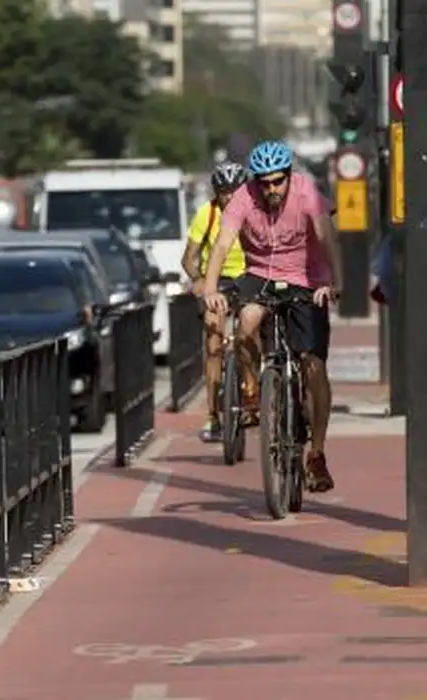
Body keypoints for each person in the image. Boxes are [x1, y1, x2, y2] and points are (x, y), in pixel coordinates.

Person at [202, 140, 342, 493]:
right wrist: (210, 290)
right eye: (264, 182)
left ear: (288, 176)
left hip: (307, 278)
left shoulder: (306, 191)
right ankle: (253, 392)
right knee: (247, 320)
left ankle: (317, 454)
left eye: (277, 181)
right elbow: (222, 244)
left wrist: (334, 283)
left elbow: (326, 235)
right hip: (261, 276)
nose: (271, 189)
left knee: (313, 363)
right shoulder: (244, 198)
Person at [181, 161, 258, 442]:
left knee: (250, 331)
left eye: (235, 191)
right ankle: (212, 414)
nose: (229, 197)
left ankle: (251, 391)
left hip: (250, 277)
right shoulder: (207, 214)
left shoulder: (255, 211)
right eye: (224, 192)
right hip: (219, 281)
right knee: (213, 340)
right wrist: (199, 281)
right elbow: (188, 259)